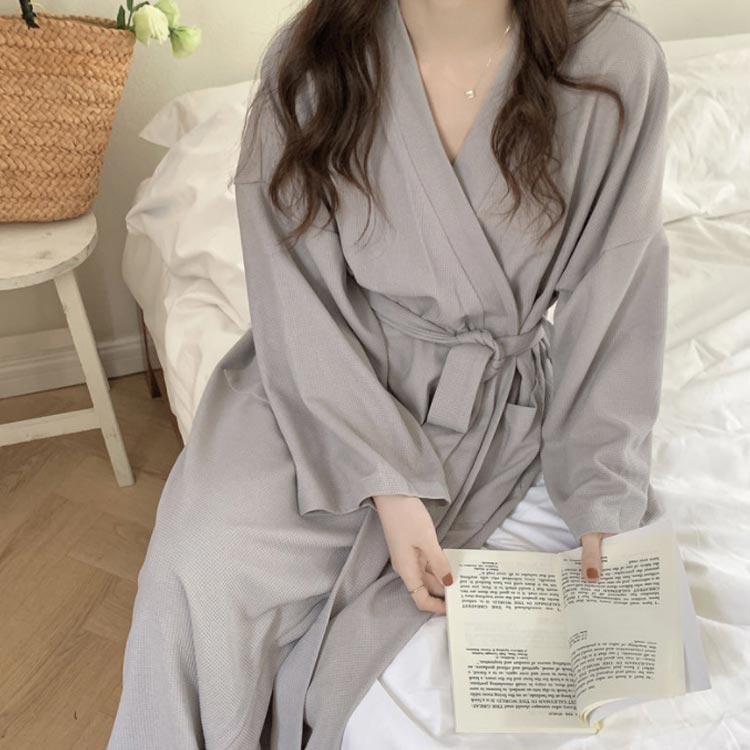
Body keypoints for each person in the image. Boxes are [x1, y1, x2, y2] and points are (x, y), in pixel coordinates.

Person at [108, 0, 671, 748]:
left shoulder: (615, 64)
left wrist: (602, 497)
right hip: (321, 385)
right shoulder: (311, 60)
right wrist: (388, 485)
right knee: (194, 567)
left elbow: (617, 299)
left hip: (488, 407)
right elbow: (294, 298)